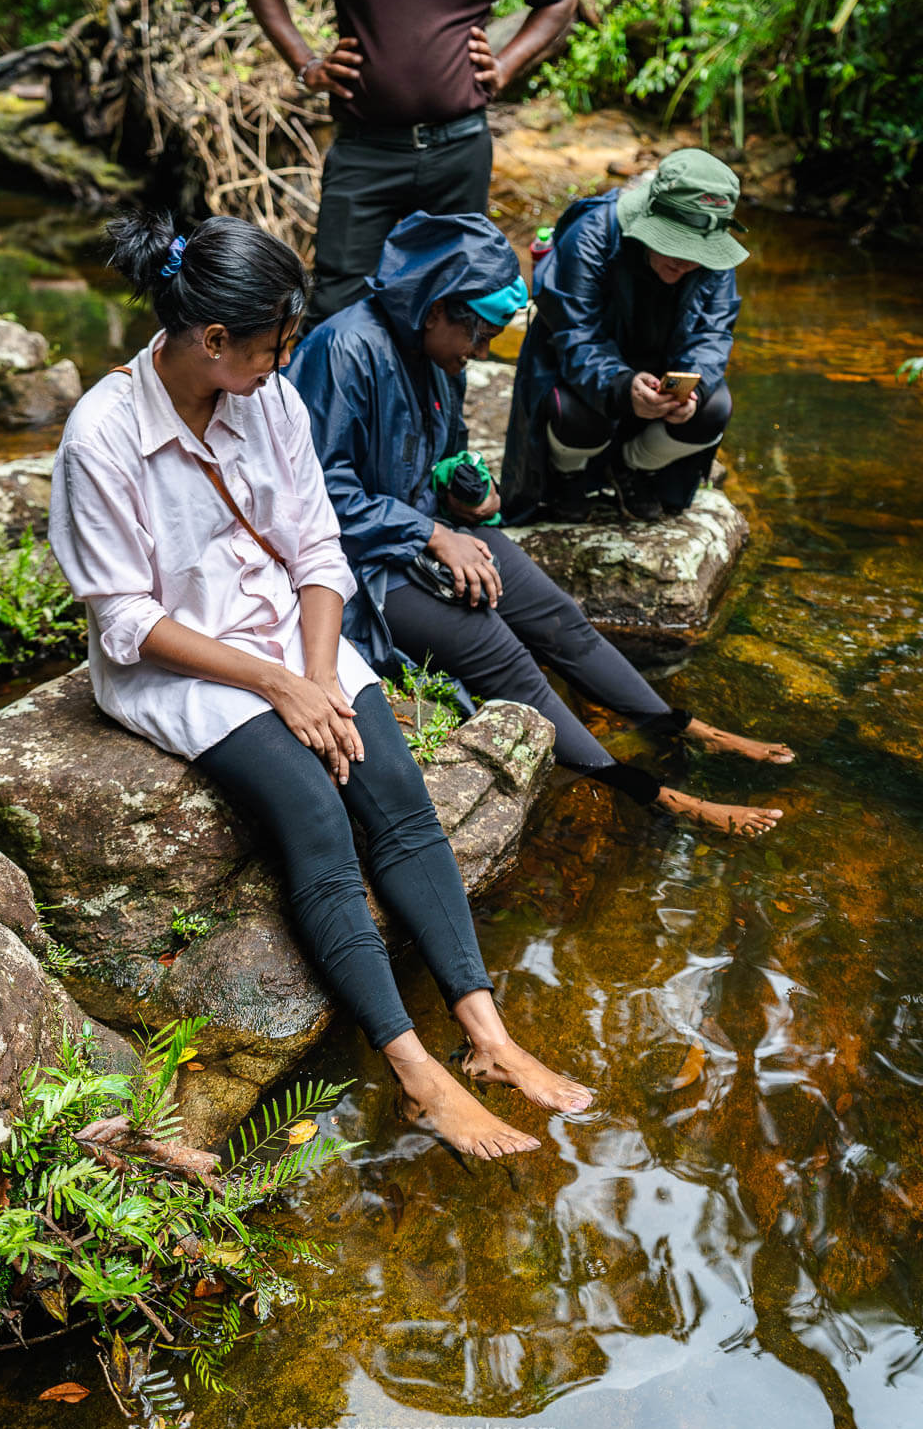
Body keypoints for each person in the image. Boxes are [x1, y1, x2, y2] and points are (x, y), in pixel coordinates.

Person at [48, 210, 595, 1161]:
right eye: (272, 346)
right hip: (187, 670)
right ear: (213, 341)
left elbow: (315, 549)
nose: (282, 361)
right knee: (316, 812)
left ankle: (489, 1037)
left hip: (297, 642)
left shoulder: (271, 401)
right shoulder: (103, 435)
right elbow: (128, 621)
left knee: (398, 795)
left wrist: (316, 679)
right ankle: (417, 1072)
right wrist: (276, 688)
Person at [287, 210, 794, 837]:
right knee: (502, 654)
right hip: (356, 570)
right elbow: (315, 499)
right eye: (480, 336)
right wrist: (434, 535)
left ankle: (680, 726)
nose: (483, 352)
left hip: (422, 537)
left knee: (561, 619)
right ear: (436, 308)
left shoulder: (433, 352)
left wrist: (464, 492)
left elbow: (447, 451)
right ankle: (654, 795)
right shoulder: (344, 351)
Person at [237, 0, 577, 330]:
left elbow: (560, 0)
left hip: (458, 149)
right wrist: (306, 64)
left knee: (457, 303)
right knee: (337, 305)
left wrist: (507, 65)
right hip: (365, 149)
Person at [502, 148, 748, 523]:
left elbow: (713, 335)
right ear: (650, 217)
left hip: (658, 374)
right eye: (673, 244)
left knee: (713, 409)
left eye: (697, 251)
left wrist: (692, 392)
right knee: (580, 415)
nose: (684, 261)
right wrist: (621, 385)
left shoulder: (713, 259)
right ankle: (567, 474)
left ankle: (634, 467)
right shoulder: (593, 236)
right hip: (578, 376)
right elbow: (577, 336)